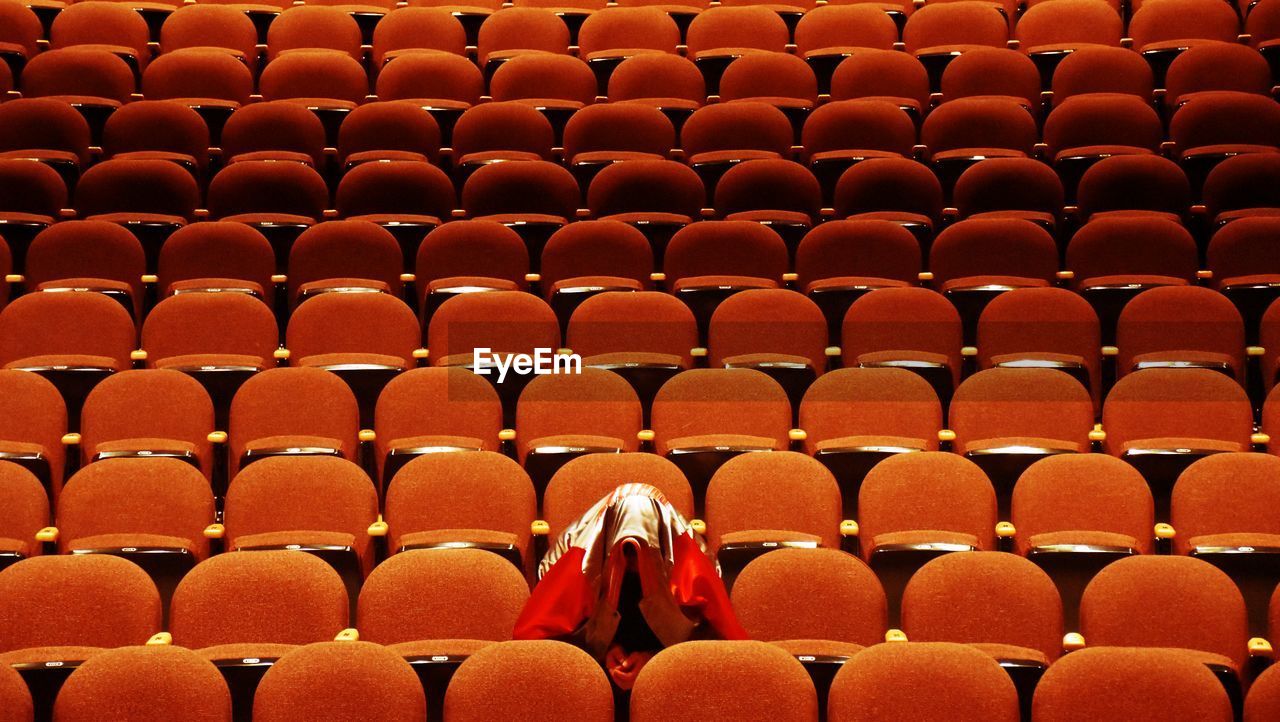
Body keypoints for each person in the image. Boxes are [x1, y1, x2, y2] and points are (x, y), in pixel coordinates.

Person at [514, 483, 746, 692]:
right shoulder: (577, 562)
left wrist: (654, 660)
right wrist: (604, 653)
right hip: (590, 678)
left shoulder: (692, 562)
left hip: (673, 676)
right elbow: (543, 642)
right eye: (627, 551)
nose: (634, 561)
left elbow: (714, 645)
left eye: (643, 552)